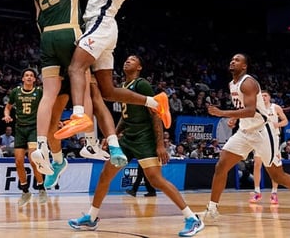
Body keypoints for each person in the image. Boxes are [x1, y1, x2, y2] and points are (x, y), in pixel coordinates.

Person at [68, 55, 203, 237]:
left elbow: (155, 114)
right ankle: (91, 218)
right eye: (127, 59)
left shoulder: (142, 84)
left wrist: (161, 144)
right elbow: (125, 117)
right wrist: (112, 135)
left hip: (144, 138)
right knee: (105, 176)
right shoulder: (122, 88)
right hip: (128, 138)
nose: (127, 61)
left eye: (132, 60)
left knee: (156, 180)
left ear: (139, 67)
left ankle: (192, 218)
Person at [58, 0, 170, 142]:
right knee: (108, 91)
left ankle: (79, 115)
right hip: (105, 31)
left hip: (100, 26)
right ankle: (155, 102)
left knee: (75, 68)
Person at [203, 53, 290, 226]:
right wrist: (235, 118)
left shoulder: (248, 82)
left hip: (262, 132)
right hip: (244, 131)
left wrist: (223, 113)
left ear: (244, 66)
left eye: (237, 60)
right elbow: (244, 108)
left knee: (278, 175)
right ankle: (212, 209)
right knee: (221, 165)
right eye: (231, 59)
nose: (232, 61)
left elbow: (251, 111)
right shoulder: (232, 84)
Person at [21, 0, 92, 176]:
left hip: (46, 36)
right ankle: (88, 138)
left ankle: (40, 145)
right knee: (83, 78)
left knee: (48, 95)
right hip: (68, 31)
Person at [3, 67, 47, 206]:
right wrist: (6, 115)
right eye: (26, 75)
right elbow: (8, 107)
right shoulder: (16, 92)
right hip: (20, 129)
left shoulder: (39, 92)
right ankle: (25, 191)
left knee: (33, 160)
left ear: (34, 79)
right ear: (23, 79)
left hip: (34, 128)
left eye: (31, 75)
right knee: (18, 162)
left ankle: (41, 188)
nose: (28, 77)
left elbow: (47, 106)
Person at [250, 90, 288, 205]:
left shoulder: (275, 108)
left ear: (270, 97)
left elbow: (286, 121)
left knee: (273, 166)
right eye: (261, 96)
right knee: (257, 164)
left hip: (273, 139)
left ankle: (274, 193)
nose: (263, 97)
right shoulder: (256, 108)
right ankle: (257, 191)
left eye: (265, 95)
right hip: (260, 138)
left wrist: (278, 124)